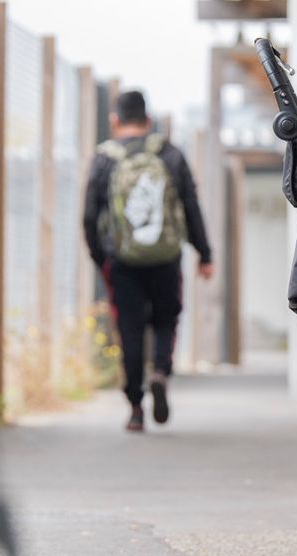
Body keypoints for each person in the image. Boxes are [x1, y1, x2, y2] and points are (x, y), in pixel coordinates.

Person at [83, 90, 213, 432]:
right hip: (165, 255)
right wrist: (204, 253)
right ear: (148, 120)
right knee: (166, 318)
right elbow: (190, 204)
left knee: (129, 327)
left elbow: (89, 215)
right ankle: (159, 371)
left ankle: (135, 407)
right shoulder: (169, 153)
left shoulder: (104, 158)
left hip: (121, 259)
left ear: (114, 121)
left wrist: (102, 258)